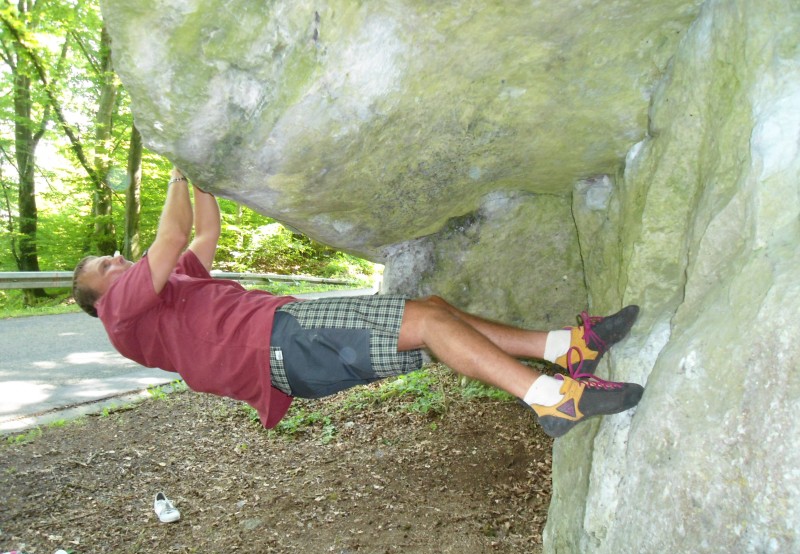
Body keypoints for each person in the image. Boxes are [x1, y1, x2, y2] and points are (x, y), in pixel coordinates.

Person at [72, 168, 644, 438]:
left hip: (285, 350)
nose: (116, 262)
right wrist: (178, 164)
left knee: (434, 313)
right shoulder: (120, 313)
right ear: (99, 300)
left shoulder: (167, 296)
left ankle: (567, 348)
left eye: (113, 259)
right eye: (105, 267)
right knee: (424, 321)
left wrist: (202, 182)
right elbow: (170, 239)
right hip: (278, 339)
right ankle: (550, 399)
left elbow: (201, 238)